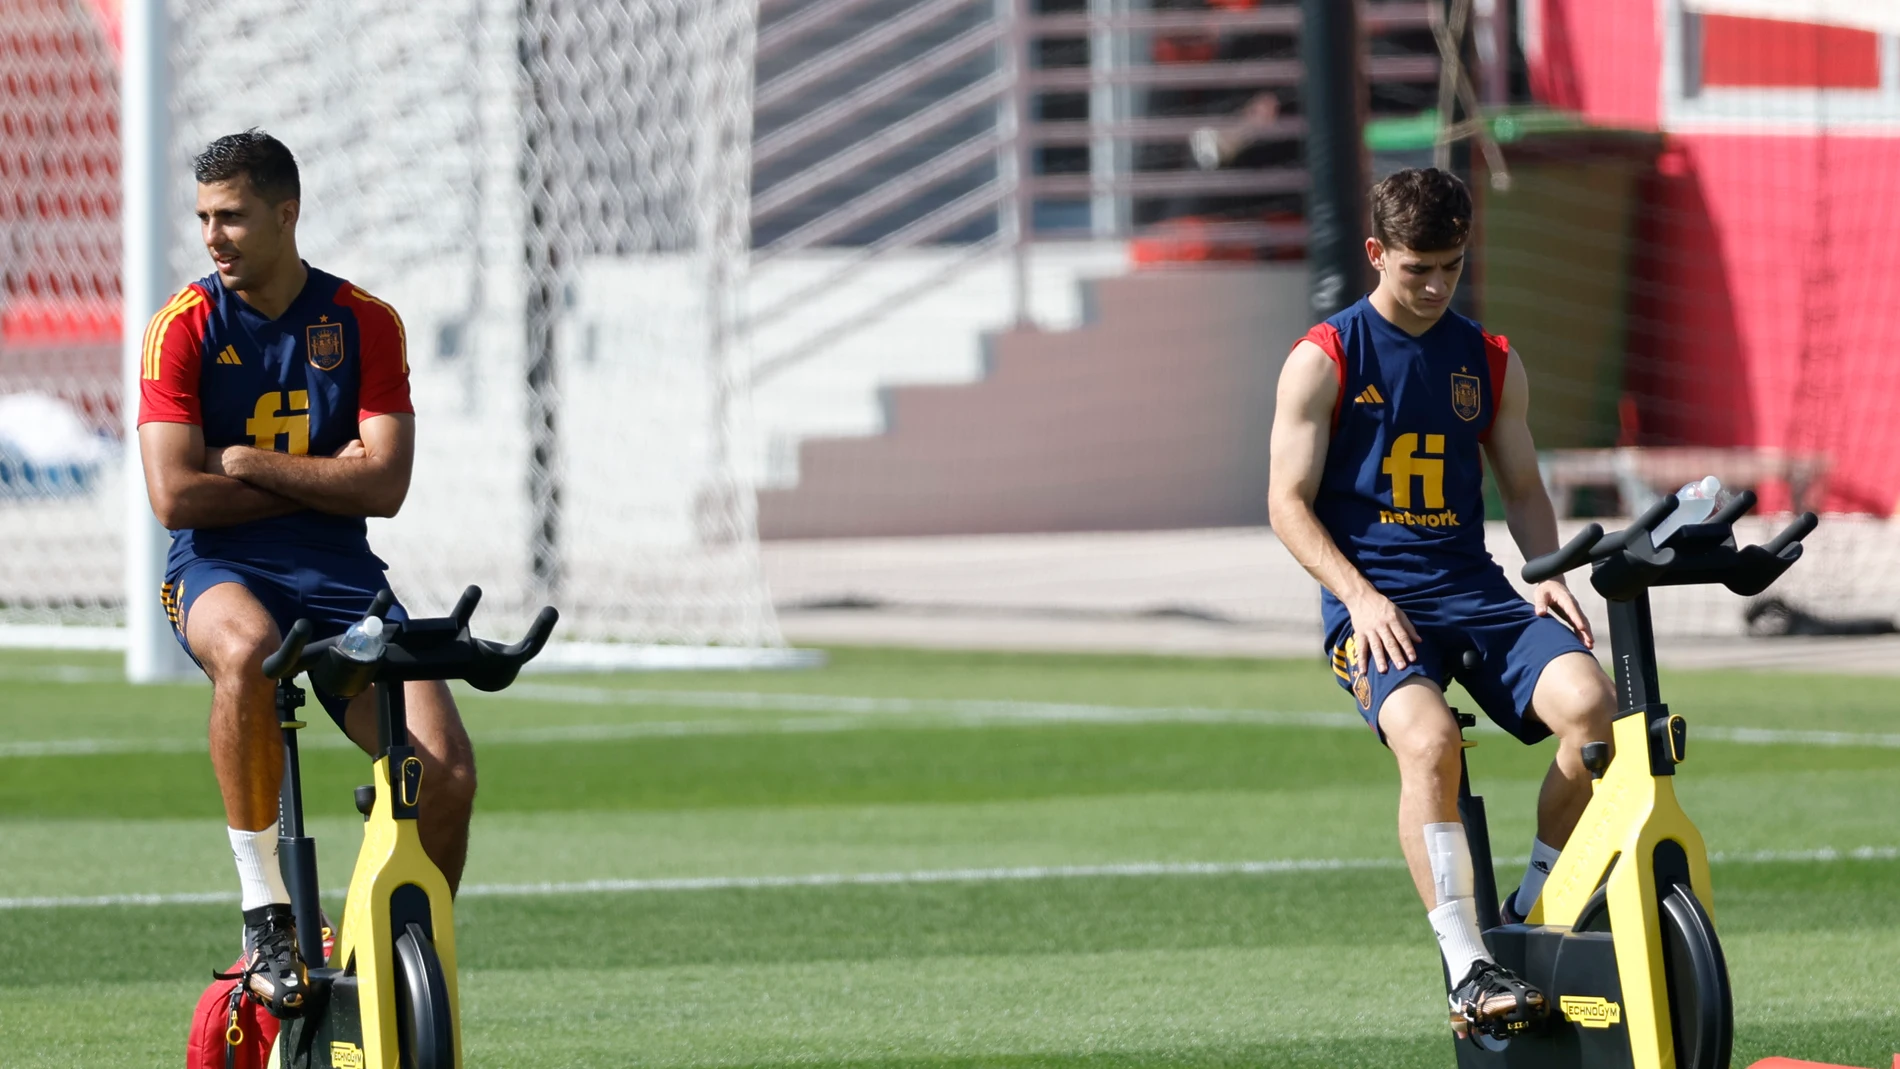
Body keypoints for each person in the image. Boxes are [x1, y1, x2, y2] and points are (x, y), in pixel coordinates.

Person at [1266, 167, 1616, 1039]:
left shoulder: (1489, 359)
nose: (1433, 286)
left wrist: (1547, 570)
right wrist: (1359, 594)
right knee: (1428, 743)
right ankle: (1468, 964)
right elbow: (1285, 502)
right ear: (1378, 252)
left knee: (1596, 711)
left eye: (1451, 268)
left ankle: (1530, 907)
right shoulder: (1326, 356)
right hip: (1373, 607)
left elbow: (1525, 484)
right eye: (1417, 267)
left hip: (1477, 592)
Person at [137, 130, 477, 1018]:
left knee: (445, 776)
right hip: (215, 570)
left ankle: (386, 957)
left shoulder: (365, 320)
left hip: (340, 574)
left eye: (234, 216)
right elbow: (174, 497)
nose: (214, 236)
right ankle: (268, 914)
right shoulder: (183, 329)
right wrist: (325, 481)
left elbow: (388, 484)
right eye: (205, 217)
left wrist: (247, 462)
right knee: (246, 649)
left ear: (286, 213)